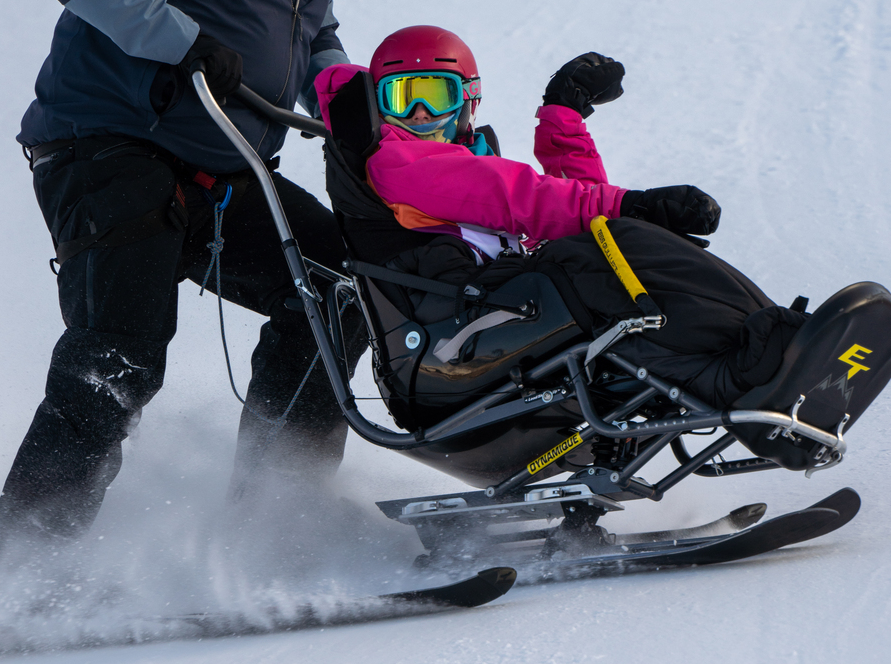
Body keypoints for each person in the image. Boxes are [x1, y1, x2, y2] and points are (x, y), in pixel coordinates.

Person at [0, 0, 367, 578]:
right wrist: (181, 40)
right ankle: (17, 576)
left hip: (224, 166)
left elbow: (316, 33)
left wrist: (352, 105)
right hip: (112, 147)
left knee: (339, 288)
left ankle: (276, 524)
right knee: (118, 353)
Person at [316, 27, 809, 413]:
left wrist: (563, 117)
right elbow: (523, 197)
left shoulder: (464, 160)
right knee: (594, 255)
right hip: (444, 354)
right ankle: (762, 355)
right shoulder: (394, 162)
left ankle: (768, 349)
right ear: (379, 104)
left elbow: (583, 219)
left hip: (481, 330)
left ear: (468, 99)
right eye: (401, 97)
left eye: (434, 94)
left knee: (612, 247)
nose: (420, 113)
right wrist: (631, 205)